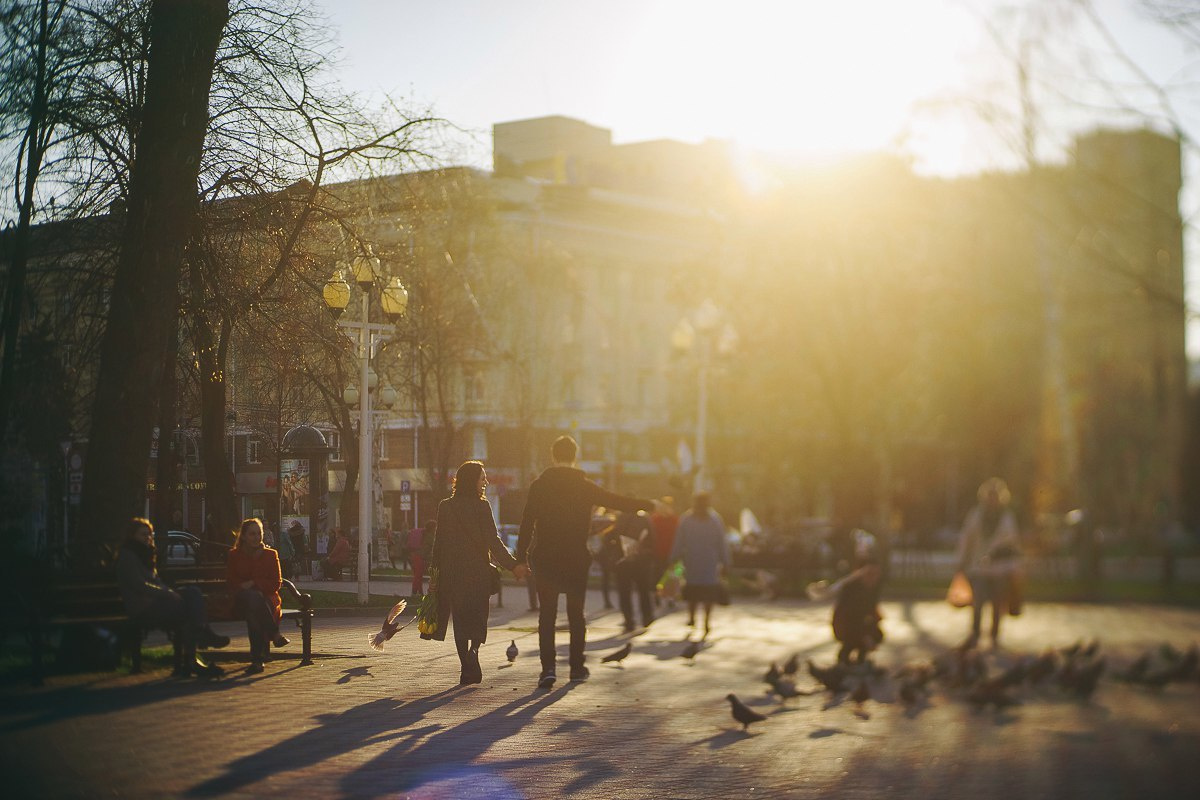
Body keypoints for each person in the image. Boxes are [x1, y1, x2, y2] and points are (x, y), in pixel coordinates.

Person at [516, 435, 655, 688]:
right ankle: (577, 668)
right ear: (575, 456)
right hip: (575, 559)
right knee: (576, 614)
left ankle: (548, 670)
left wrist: (519, 558)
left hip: (546, 558)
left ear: (553, 456)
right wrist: (648, 504)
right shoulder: (585, 486)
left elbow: (526, 523)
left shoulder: (539, 486)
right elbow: (617, 502)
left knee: (546, 615)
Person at [421, 461, 529, 685]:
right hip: (478, 573)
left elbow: (438, 544)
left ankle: (465, 668)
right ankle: (475, 650)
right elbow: (494, 542)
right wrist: (513, 566)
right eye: (482, 478)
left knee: (460, 620)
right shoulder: (482, 507)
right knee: (479, 617)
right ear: (472, 481)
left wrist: (435, 575)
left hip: (453, 574)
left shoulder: (445, 506)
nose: (486, 482)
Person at [115, 517, 228, 677]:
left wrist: (168, 593)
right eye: (143, 535)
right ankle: (194, 655)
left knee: (193, 592)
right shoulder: (128, 556)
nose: (147, 538)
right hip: (143, 606)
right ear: (132, 536)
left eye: (149, 535)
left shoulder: (145, 554)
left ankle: (198, 643)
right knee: (187, 610)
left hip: (156, 601)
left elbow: (156, 583)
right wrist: (167, 593)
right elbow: (139, 585)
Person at [956, 477, 1022, 648]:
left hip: (1000, 569)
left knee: (997, 603)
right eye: (990, 495)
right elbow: (966, 538)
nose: (992, 499)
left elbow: (1012, 544)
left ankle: (994, 635)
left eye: (995, 495)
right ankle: (975, 633)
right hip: (978, 568)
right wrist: (962, 560)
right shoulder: (976, 515)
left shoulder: (1007, 518)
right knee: (977, 602)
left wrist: (1014, 567)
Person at [226, 517, 290, 674]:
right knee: (252, 599)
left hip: (266, 600)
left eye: (259, 533)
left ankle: (257, 661)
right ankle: (274, 633)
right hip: (240, 600)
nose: (256, 537)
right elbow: (233, 582)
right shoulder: (235, 555)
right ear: (244, 536)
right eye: (252, 534)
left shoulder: (270, 554)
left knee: (253, 609)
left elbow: (276, 583)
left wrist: (254, 583)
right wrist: (250, 586)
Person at [668, 491, 731, 639]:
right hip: (701, 562)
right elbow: (722, 543)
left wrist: (673, 558)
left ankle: (699, 620)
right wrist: (726, 562)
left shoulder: (692, 519)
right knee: (700, 593)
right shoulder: (710, 520)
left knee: (696, 592)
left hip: (700, 562)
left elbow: (679, 541)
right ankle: (699, 620)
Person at [831, 541, 884, 666]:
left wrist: (876, 621)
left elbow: (871, 610)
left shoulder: (872, 589)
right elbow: (851, 617)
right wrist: (865, 636)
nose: (874, 578)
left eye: (877, 574)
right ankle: (844, 656)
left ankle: (861, 657)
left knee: (876, 634)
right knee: (857, 636)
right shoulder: (852, 590)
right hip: (845, 624)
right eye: (870, 574)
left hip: (859, 622)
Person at [613, 510, 656, 632]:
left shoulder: (620, 518)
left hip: (623, 560)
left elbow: (613, 537)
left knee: (624, 592)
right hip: (641, 560)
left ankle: (629, 620)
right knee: (643, 590)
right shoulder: (644, 518)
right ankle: (646, 616)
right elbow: (652, 538)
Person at [649, 496, 680, 608]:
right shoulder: (655, 519)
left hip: (672, 553)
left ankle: (670, 598)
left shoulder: (675, 520)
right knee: (658, 575)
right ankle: (657, 595)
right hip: (658, 552)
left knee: (672, 576)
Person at [409, 521, 431, 596]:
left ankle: (420, 592)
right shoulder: (429, 536)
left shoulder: (425, 534)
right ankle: (414, 592)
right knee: (418, 575)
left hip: (415, 556)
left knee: (418, 575)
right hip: (420, 557)